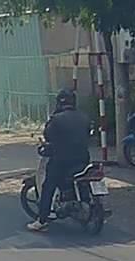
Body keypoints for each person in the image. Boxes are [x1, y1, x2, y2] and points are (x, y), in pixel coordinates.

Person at [28, 88, 91, 231]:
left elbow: (48, 136)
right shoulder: (84, 117)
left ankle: (42, 220)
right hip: (83, 159)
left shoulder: (56, 119)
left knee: (48, 186)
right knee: (82, 180)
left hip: (62, 161)